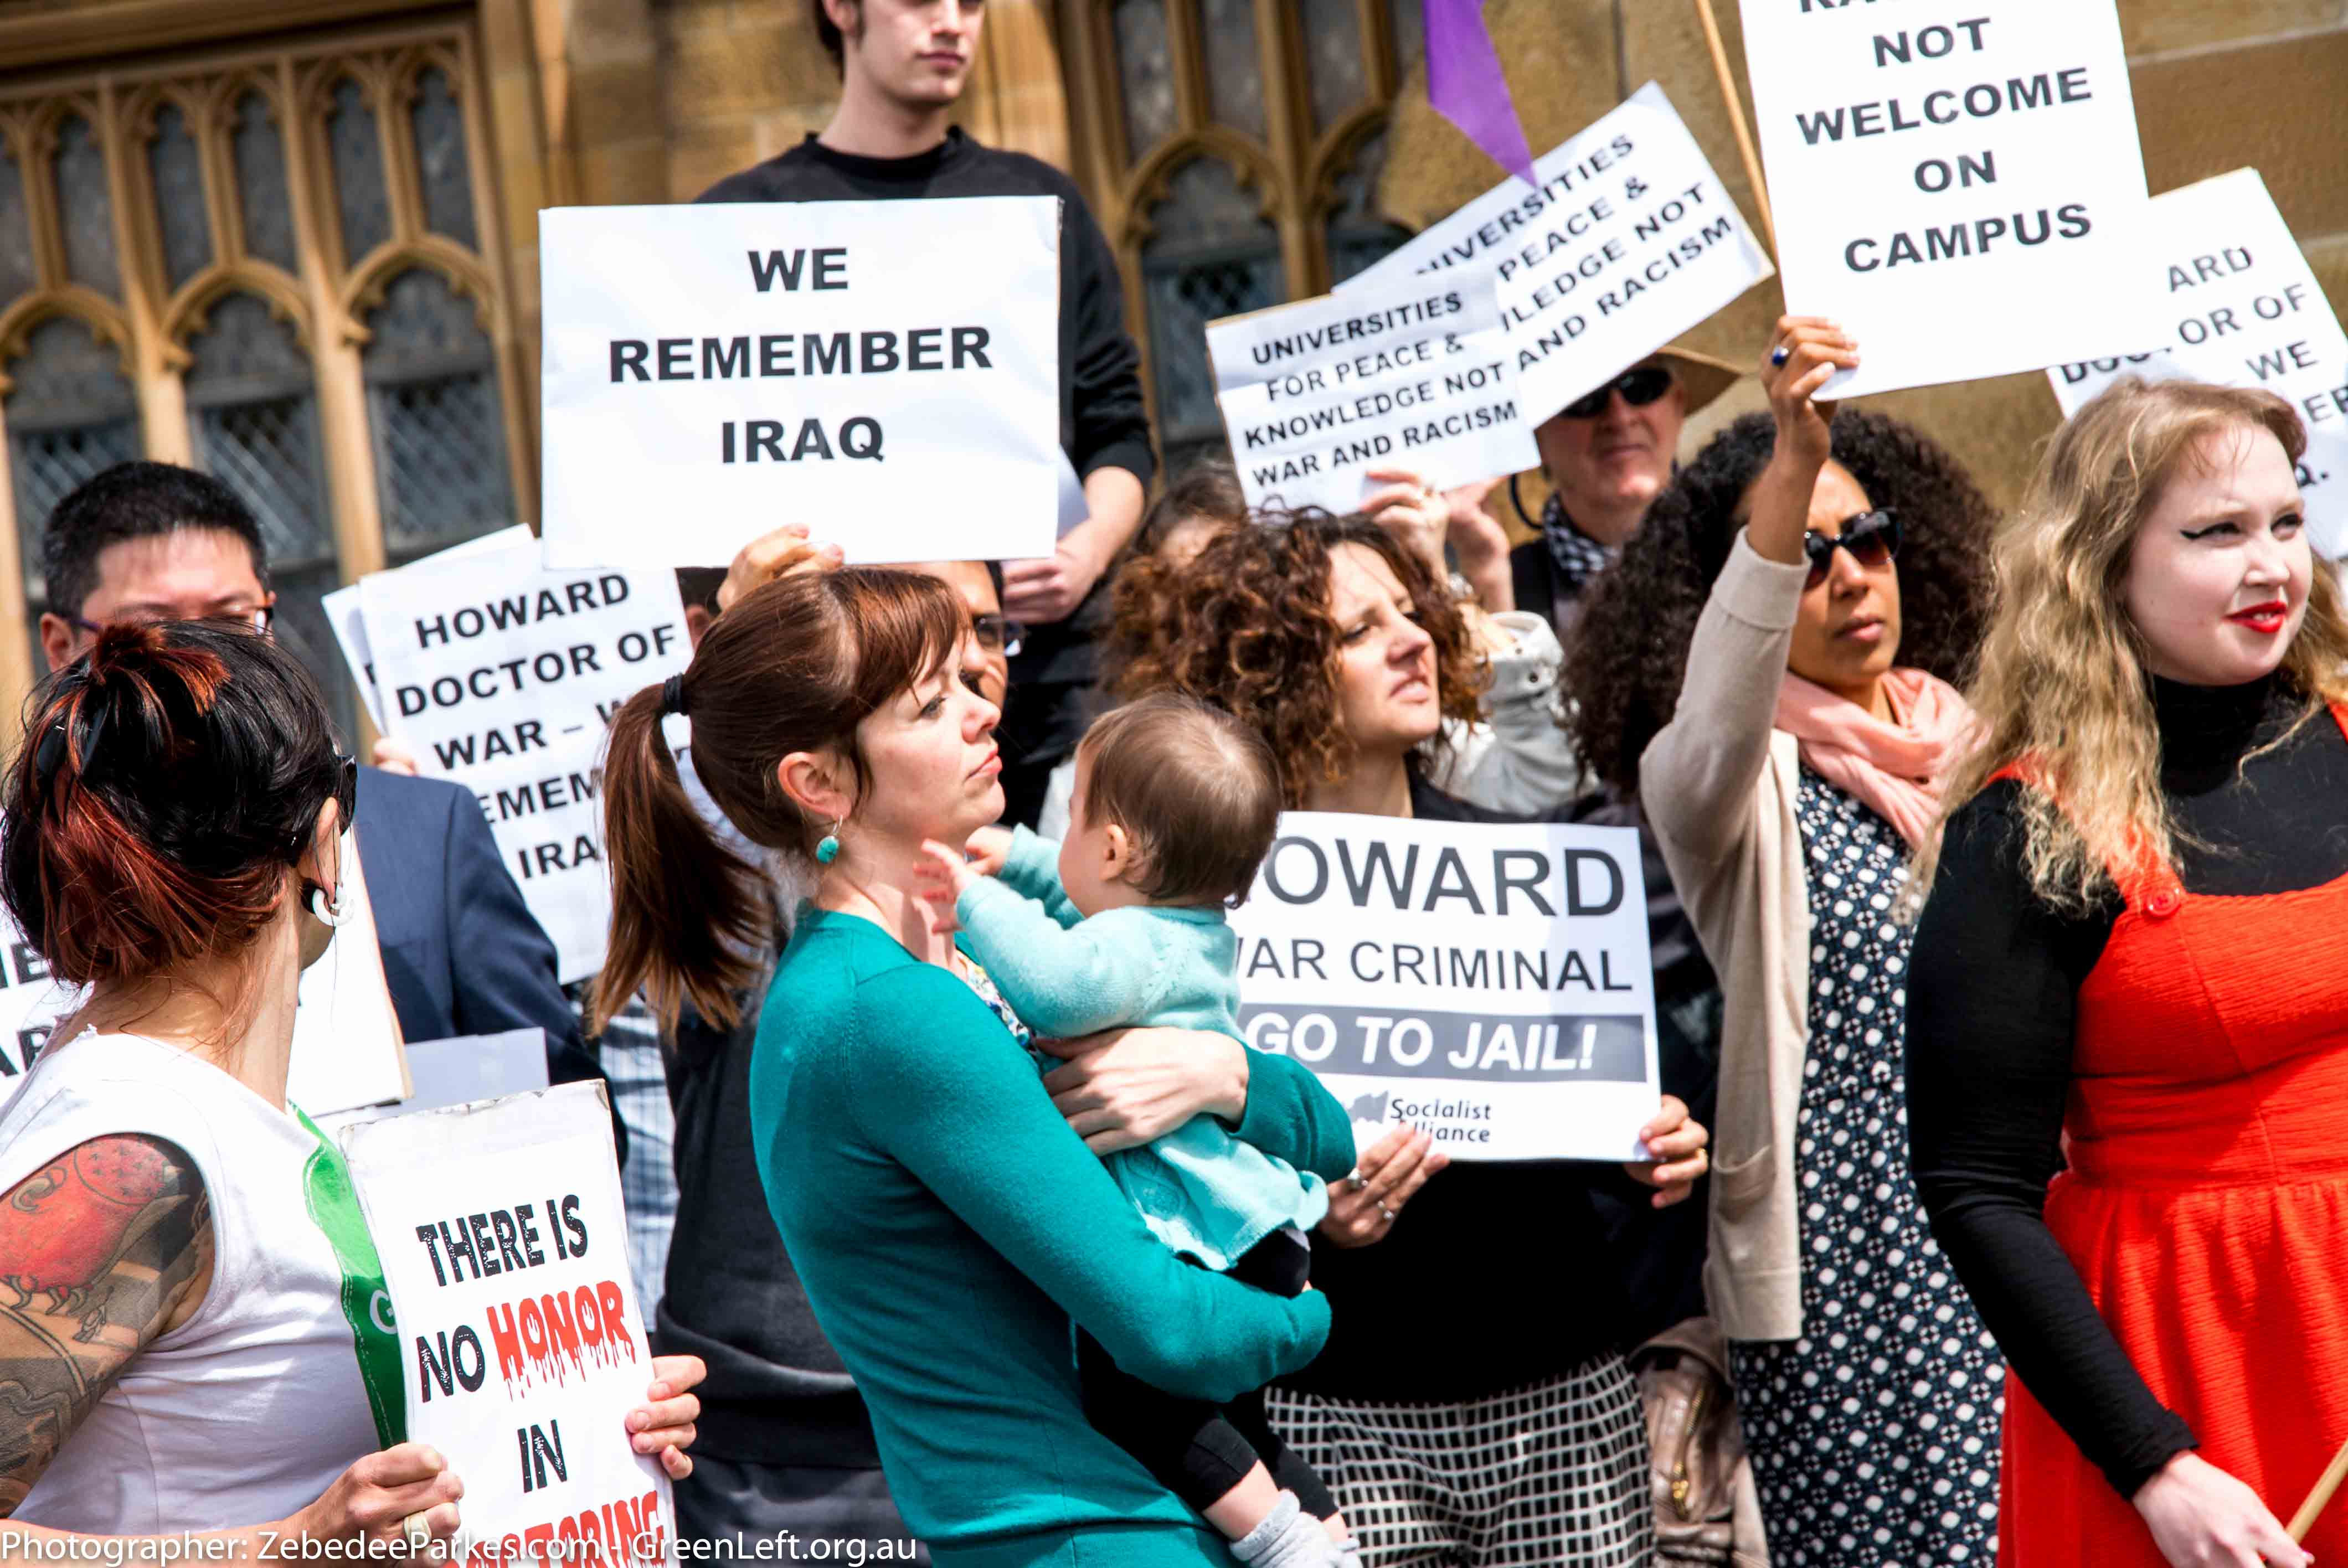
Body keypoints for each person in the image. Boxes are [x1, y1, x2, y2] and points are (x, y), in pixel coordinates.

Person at [594, 564, 1360, 1566]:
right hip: (1091, 1532)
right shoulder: (885, 1008)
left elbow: (1287, 1123)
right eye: (929, 702)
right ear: (817, 782)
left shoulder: (906, 971)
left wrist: (1225, 1075)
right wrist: (1312, 1314)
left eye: (971, 676)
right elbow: (1168, 1326)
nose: (979, 707)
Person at [0, 619, 702, 1545]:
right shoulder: (139, 1151)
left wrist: (577, 1410)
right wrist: (286, 1544)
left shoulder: (210, 1105)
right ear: (325, 848)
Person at [1121, 507, 1711, 1568]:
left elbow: (1630, 1099)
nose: (1414, 637)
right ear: (1273, 669)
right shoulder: (1203, 917)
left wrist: (1657, 1143)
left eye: (1413, 609)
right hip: (1333, 1411)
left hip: (1560, 1398)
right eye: (1360, 628)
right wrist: (1303, 1218)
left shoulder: (1533, 874)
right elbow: (1164, 1190)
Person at [1564, 318, 1999, 1565]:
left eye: (1864, 540)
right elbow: (1722, 698)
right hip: (1853, 1274)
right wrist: (1793, 456)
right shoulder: (1722, 780)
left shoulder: (1986, 745)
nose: (1849, 575)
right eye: (1804, 557)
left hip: (2024, 1232)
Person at [1906, 380, 2348, 1568]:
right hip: (2188, 1365)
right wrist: (2152, 1463)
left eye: (2283, 522)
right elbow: (1972, 1187)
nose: (2269, 566)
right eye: (2215, 533)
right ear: (2101, 567)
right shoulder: (2025, 831)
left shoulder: (2347, 735)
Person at [698, 0, 1155, 831]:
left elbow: (1118, 426)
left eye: (972, 2)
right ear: (842, 9)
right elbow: (701, 467)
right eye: (919, 1)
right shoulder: (738, 225)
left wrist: (1087, 551)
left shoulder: (1040, 201)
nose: (952, 22)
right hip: (850, 717)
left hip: (1047, 697)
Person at [35, 461, 610, 1117]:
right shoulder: (28, 866)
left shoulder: (421, 832)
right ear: (61, 645)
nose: (206, 662)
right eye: (154, 632)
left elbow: (569, 1120)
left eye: (231, 620)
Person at [920, 694, 1349, 1566]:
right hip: (1251, 1231)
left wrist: (973, 897)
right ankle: (1323, 1521)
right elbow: (1085, 905)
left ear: (1115, 849)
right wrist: (1033, 860)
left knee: (1144, 1407)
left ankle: (1278, 1540)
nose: (1060, 836)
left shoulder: (1135, 953)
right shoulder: (1178, 932)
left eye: (1071, 820)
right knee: (1233, 1418)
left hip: (1204, 1236)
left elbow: (1059, 983)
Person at [1507, 347, 1742, 633]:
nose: (1620, 417)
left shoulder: (1746, 556)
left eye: (1641, 387)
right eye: (1584, 396)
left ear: (1678, 404)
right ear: (1535, 435)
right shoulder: (1501, 589)